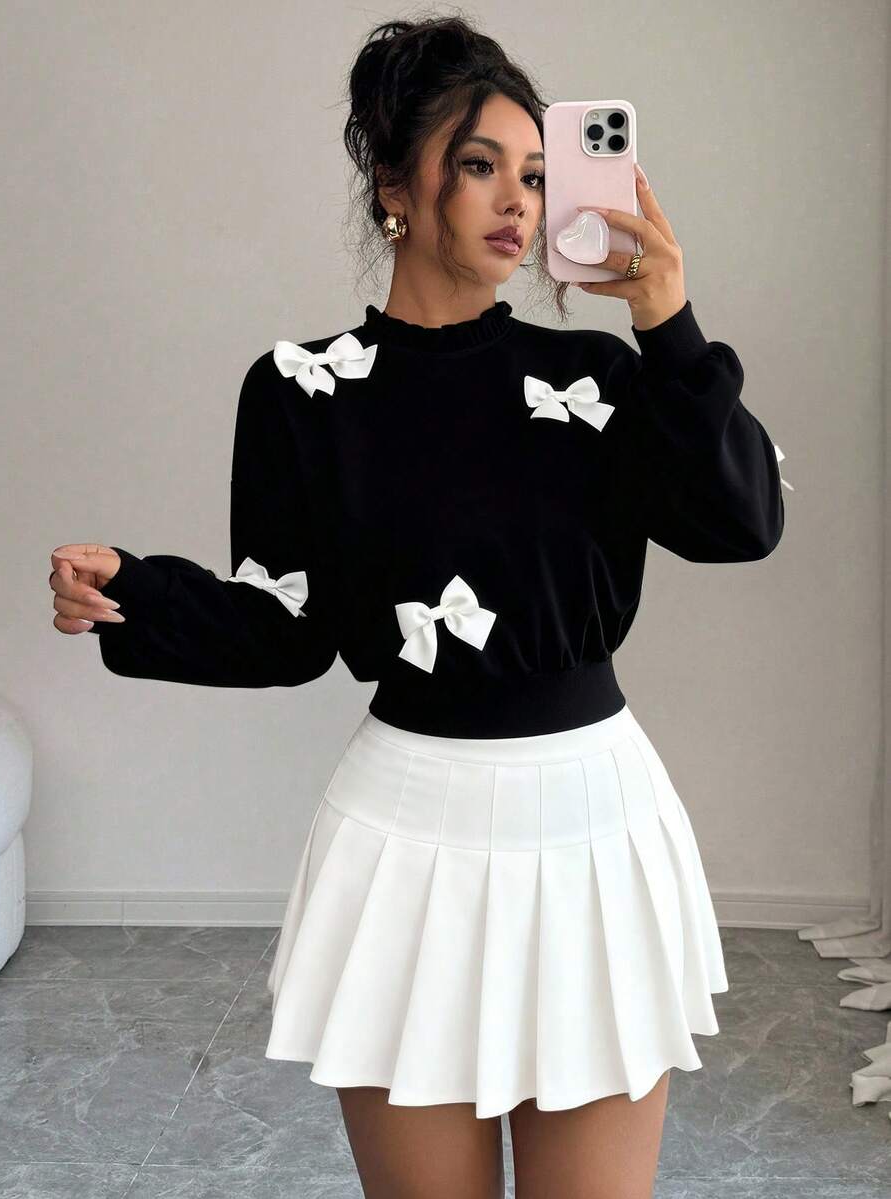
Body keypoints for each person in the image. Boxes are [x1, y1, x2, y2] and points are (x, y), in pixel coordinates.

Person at [48, 14, 788, 1199]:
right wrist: (131, 592)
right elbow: (288, 626)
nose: (516, 202)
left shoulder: (597, 376)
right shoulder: (301, 391)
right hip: (408, 840)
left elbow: (742, 521)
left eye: (534, 174)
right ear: (395, 185)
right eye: (479, 164)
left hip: (592, 826)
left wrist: (668, 320)